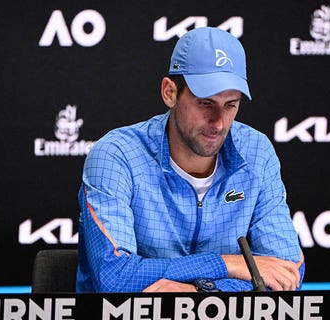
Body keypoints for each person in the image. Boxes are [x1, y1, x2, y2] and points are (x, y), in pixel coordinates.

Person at [76, 27, 305, 292]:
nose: (219, 122)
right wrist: (227, 264)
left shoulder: (257, 152)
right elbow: (114, 277)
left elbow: (286, 271)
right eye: (205, 103)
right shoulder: (116, 155)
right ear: (169, 92)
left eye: (230, 104)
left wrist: (202, 294)